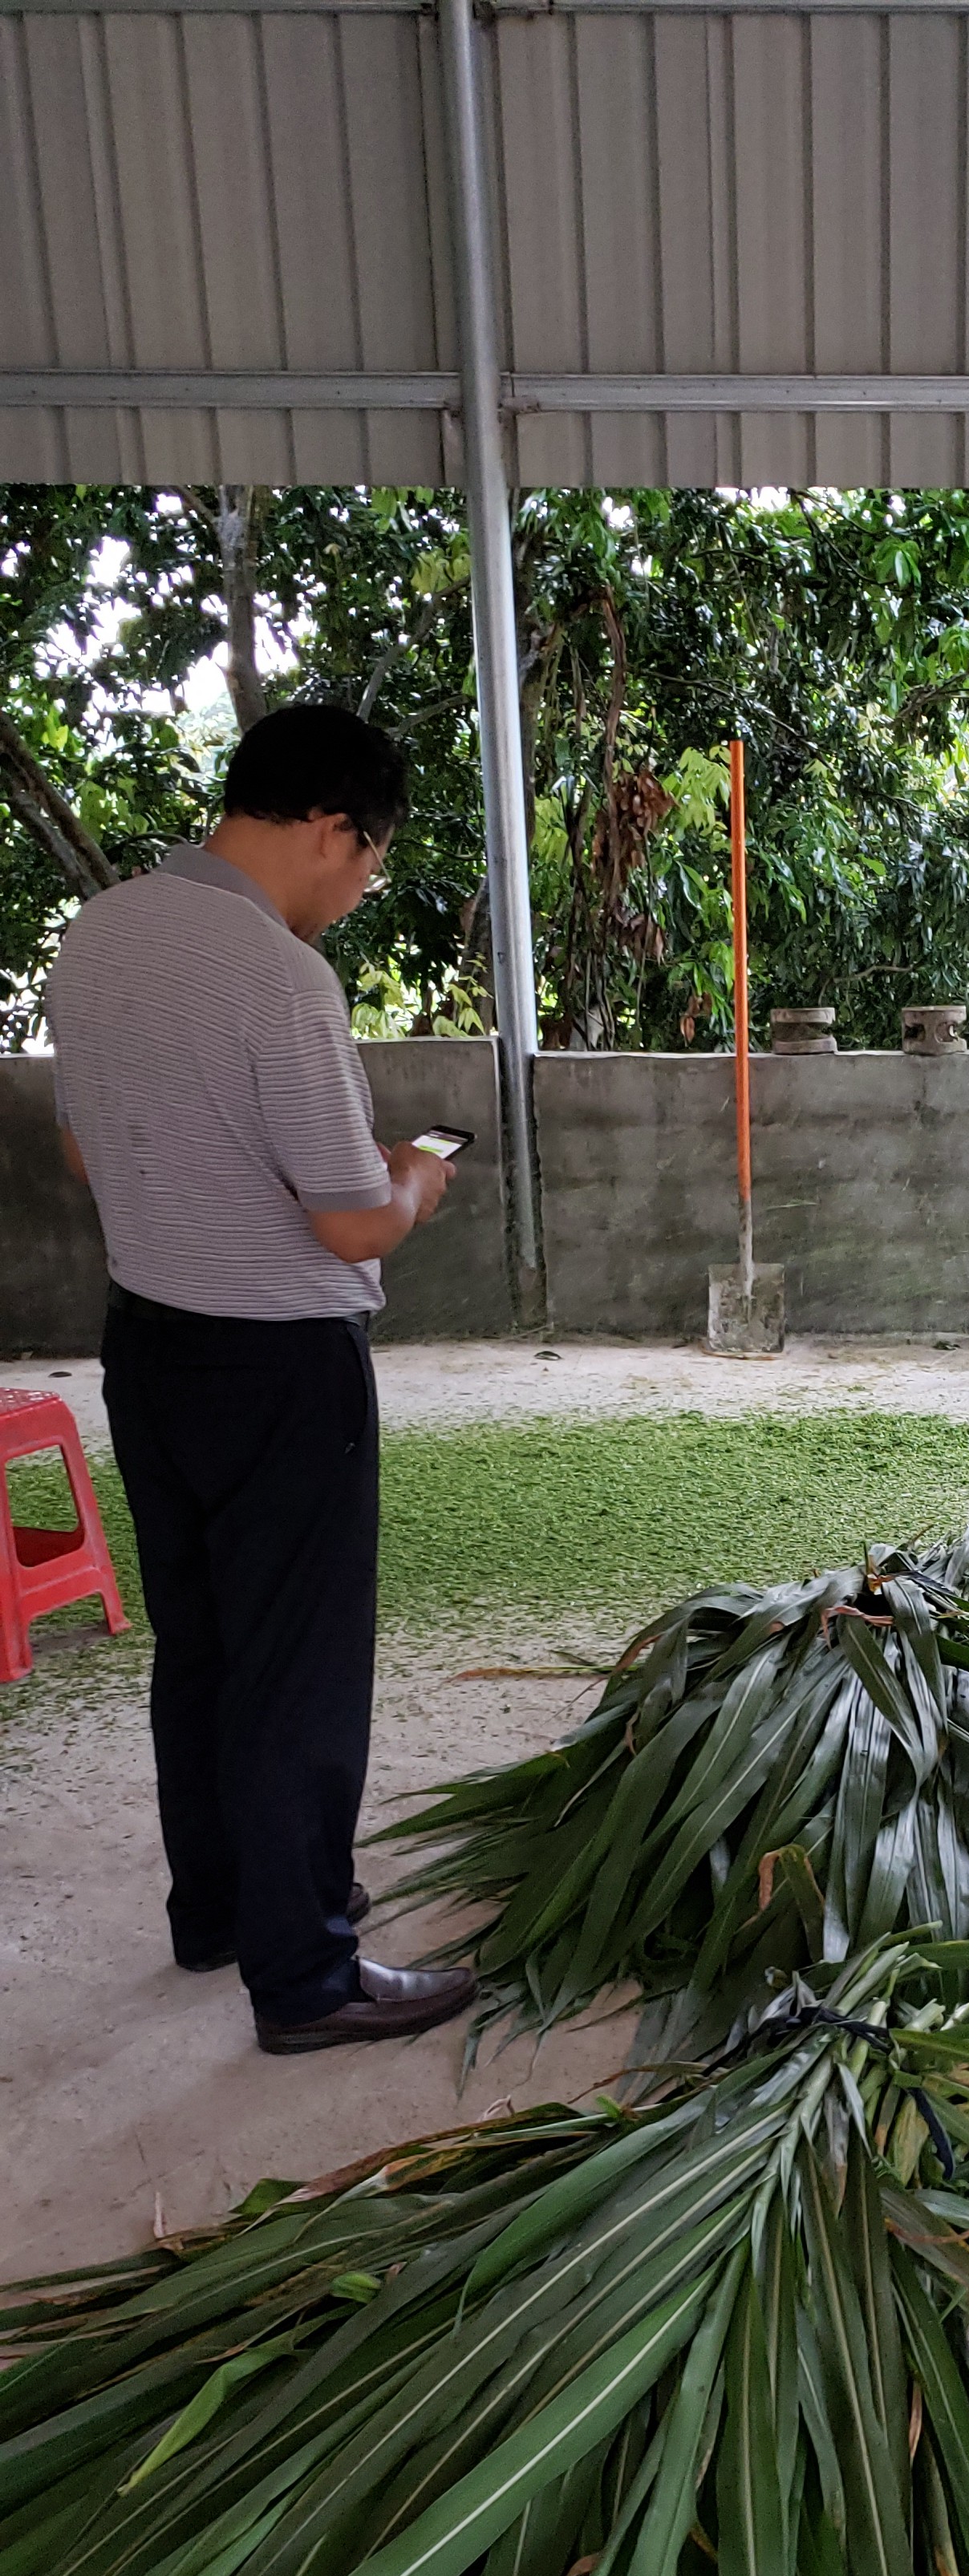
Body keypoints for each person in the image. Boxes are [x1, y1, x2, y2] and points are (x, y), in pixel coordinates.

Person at [49, 703, 477, 2056]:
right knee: (296, 1669)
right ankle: (306, 1975)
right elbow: (348, 1220)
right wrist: (414, 1178)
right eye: (369, 862)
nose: (357, 892)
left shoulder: (97, 935)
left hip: (150, 1346)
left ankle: (222, 1908)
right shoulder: (278, 977)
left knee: (208, 1646)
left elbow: (82, 1157)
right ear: (330, 829)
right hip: (280, 1364)